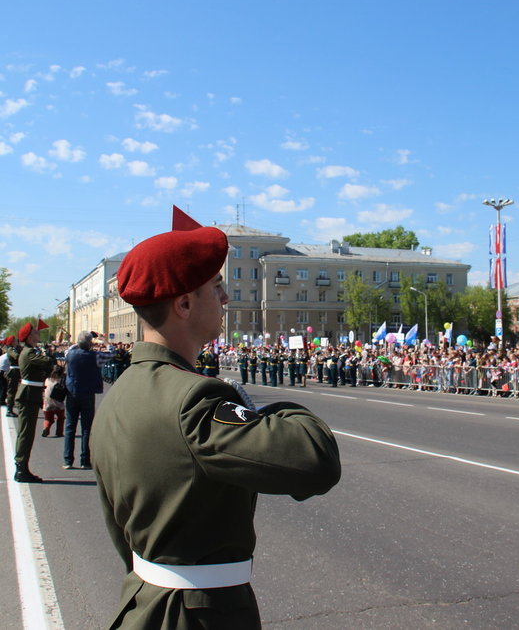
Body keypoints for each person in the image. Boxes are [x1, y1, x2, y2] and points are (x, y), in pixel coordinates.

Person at [90, 211, 341, 628]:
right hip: (196, 616)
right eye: (217, 287)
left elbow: (123, 529)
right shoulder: (195, 399)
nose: (225, 298)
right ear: (185, 304)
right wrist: (267, 409)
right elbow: (315, 461)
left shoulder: (123, 391)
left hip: (143, 602)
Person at [13, 321, 56, 483]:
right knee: (25, 434)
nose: (38, 334)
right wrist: (49, 356)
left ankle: (23, 466)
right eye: (35, 332)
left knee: (28, 433)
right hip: (28, 396)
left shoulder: (31, 351)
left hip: (31, 395)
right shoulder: (29, 353)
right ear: (30, 336)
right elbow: (47, 363)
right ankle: (21, 468)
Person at [63, 330, 103, 470]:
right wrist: (104, 341)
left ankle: (68, 460)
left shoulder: (70, 355)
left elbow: (69, 349)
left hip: (72, 392)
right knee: (86, 428)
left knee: (70, 427)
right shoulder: (96, 356)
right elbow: (112, 352)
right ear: (90, 344)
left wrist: (77, 343)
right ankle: (84, 460)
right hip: (88, 393)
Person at [43, 364, 67, 438]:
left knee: (48, 418)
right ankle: (59, 432)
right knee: (61, 418)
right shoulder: (62, 381)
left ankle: (46, 428)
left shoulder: (47, 380)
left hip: (47, 403)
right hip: (58, 404)